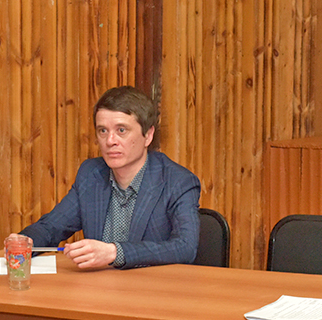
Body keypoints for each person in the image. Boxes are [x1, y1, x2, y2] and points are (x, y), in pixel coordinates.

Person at [22, 86, 200, 269]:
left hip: (153, 285)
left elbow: (185, 247)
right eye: (103, 131)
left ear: (148, 135)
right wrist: (22, 242)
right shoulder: (91, 175)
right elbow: (50, 227)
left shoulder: (178, 182)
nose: (110, 141)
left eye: (121, 130)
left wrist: (116, 253)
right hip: (99, 284)